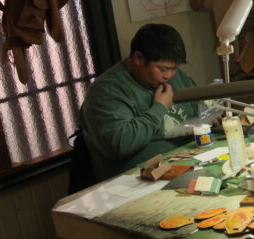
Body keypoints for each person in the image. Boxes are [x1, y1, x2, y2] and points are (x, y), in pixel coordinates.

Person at [79, 24, 198, 180]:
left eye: (174, 68)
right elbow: (120, 144)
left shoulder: (178, 77)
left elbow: (198, 111)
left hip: (186, 160)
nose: (169, 76)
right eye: (163, 69)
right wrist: (160, 108)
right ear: (138, 58)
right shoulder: (107, 91)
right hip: (135, 178)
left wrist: (210, 118)